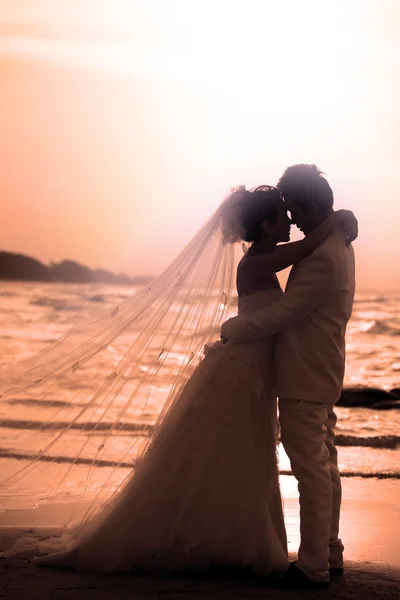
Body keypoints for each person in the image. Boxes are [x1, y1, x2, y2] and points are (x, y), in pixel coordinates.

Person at [32, 183, 356, 579]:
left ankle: (261, 542)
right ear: (268, 224)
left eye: (294, 212)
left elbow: (294, 285)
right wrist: (340, 220)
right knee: (221, 452)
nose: (290, 221)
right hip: (244, 368)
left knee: (243, 455)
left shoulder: (274, 256)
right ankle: (295, 553)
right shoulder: (256, 263)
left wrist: (340, 220)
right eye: (283, 216)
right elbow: (297, 273)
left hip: (258, 370)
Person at [222, 165, 356, 589]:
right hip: (320, 369)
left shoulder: (324, 255)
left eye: (295, 209)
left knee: (311, 469)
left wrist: (232, 330)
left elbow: (283, 314)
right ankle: (329, 552)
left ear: (313, 205)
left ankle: (314, 565)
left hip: (305, 374)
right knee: (325, 463)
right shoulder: (334, 242)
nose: (293, 219)